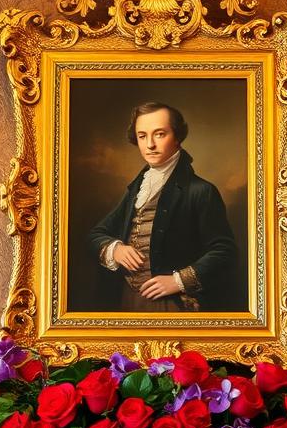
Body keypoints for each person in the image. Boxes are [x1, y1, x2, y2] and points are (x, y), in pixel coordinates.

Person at [87, 101, 240, 312]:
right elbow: (97, 234)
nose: (150, 144)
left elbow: (225, 252)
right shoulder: (138, 188)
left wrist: (177, 281)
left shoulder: (201, 190)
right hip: (129, 301)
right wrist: (116, 249)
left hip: (174, 304)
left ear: (177, 137)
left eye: (159, 134)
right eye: (142, 136)